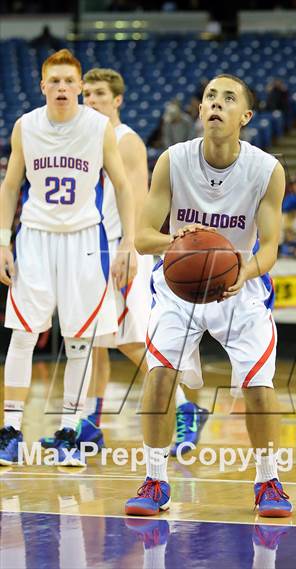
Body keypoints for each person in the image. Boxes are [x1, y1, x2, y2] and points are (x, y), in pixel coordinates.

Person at [125, 74, 292, 517]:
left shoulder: (266, 169)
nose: (216, 104)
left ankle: (268, 481)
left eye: (228, 98)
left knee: (258, 384)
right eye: (209, 98)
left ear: (245, 116)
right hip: (179, 286)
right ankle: (155, 480)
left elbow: (271, 247)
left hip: (238, 284)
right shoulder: (172, 161)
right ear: (200, 111)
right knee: (160, 375)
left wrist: (244, 269)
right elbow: (142, 238)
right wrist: (177, 241)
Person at [43, 67, 206, 454]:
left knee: (129, 340)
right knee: (92, 339)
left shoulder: (126, 140)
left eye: (101, 94)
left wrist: (129, 250)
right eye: (89, 94)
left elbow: (140, 197)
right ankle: (89, 424)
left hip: (121, 249)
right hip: (90, 249)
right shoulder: (83, 138)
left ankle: (185, 407)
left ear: (117, 100)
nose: (92, 100)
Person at [0, 49, 137, 467]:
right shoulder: (26, 126)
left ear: (80, 88)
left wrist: (128, 242)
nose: (61, 88)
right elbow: (10, 186)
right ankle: (10, 430)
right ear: (43, 87)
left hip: (84, 238)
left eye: (68, 82)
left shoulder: (98, 128)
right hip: (36, 236)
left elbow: (123, 186)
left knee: (80, 340)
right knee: (23, 335)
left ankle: (71, 429)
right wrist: (3, 240)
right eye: (54, 81)